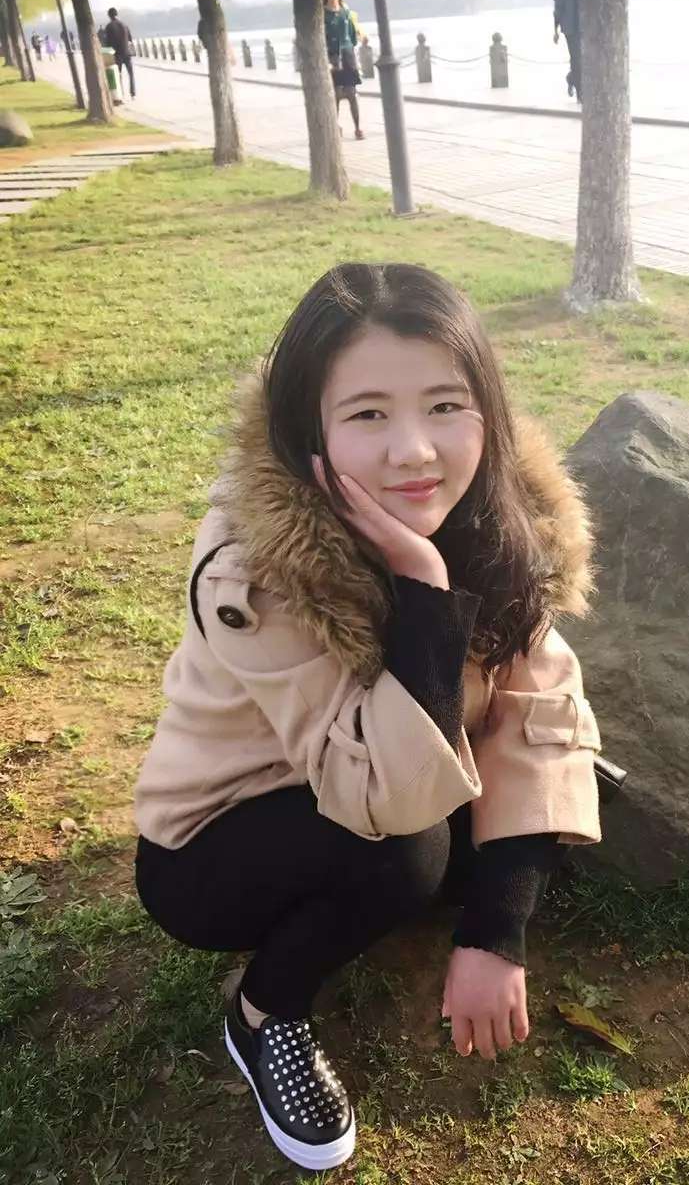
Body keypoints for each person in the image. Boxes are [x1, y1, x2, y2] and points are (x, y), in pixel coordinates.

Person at [132, 262, 603, 1174]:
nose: (414, 452)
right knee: (407, 851)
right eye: (368, 415)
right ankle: (263, 1012)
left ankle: (427, 888)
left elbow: (538, 707)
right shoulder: (260, 566)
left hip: (387, 772)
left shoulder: (505, 518)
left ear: (488, 411)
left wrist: (495, 933)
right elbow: (386, 793)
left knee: (530, 814)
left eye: (445, 406)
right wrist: (424, 591)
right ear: (309, 430)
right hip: (218, 842)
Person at [323, 0, 364, 140]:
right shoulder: (323, 14)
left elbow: (353, 36)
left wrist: (351, 50)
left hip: (348, 56)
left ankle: (358, 128)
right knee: (337, 94)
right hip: (332, 57)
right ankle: (335, 128)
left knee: (352, 93)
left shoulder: (345, 12)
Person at [553, 0, 581, 103]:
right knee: (576, 59)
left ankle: (571, 78)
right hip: (571, 28)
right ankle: (581, 94)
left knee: (586, 60)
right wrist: (555, 30)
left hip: (587, 27)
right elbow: (558, 8)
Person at [103, 7, 135, 97]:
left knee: (117, 74)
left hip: (117, 54)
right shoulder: (125, 25)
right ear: (117, 14)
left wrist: (107, 57)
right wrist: (131, 52)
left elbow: (107, 42)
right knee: (131, 74)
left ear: (109, 16)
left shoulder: (109, 26)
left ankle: (120, 94)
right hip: (127, 53)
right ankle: (133, 92)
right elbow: (130, 39)